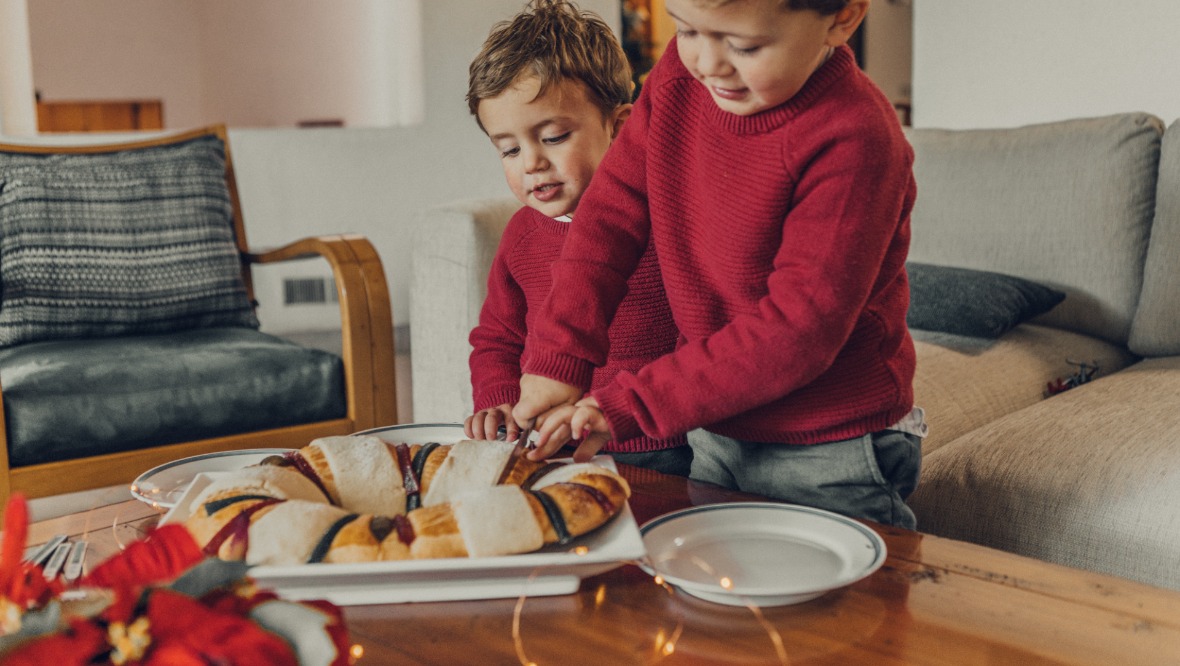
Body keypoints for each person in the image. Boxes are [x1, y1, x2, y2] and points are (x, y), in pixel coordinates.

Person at [512, 0, 925, 528]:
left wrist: (633, 404)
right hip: (716, 426)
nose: (707, 62)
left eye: (744, 46)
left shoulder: (856, 137)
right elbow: (610, 216)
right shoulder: (679, 79)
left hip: (829, 447)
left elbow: (796, 331)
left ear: (842, 18)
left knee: (847, 608)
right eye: (686, 31)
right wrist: (556, 356)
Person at [463, 0, 691, 476]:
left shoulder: (665, 219)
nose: (531, 163)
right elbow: (498, 339)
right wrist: (500, 401)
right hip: (551, 445)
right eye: (508, 149)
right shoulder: (521, 236)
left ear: (621, 128)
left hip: (663, 443)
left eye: (553, 137)